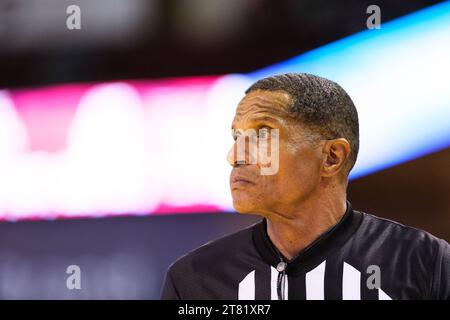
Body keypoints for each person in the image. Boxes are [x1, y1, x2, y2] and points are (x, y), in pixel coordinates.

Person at [161, 73, 449, 300]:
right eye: (237, 136)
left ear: (331, 157)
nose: (235, 155)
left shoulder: (424, 262)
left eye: (263, 135)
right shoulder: (195, 279)